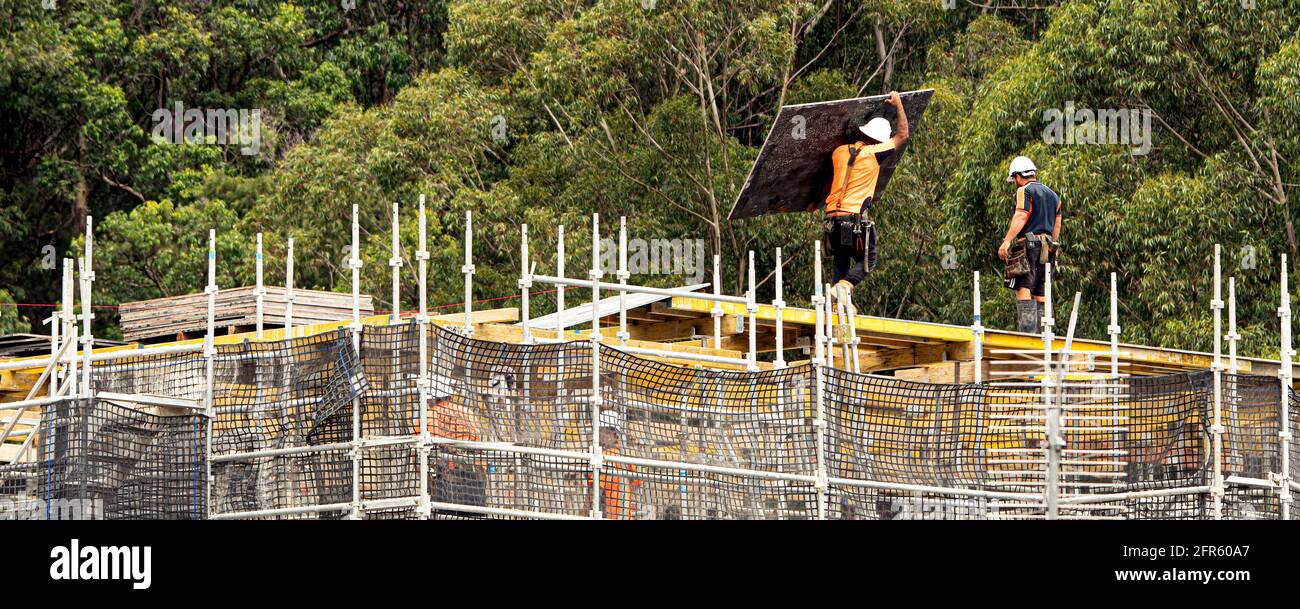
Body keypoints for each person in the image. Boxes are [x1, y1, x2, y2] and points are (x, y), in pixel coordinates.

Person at [811, 90, 910, 315]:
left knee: (841, 259)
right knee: (869, 259)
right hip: (852, 219)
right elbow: (903, 135)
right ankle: (844, 287)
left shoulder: (838, 152)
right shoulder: (874, 153)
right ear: (878, 140)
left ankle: (837, 304)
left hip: (832, 219)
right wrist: (899, 105)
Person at [997, 155, 1062, 333]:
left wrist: (1007, 241)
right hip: (1047, 248)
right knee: (1041, 291)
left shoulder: (1024, 191)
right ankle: (1044, 335)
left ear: (1018, 176)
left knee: (1022, 285)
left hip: (1028, 245)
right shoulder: (1053, 195)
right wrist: (1053, 245)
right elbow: (1057, 223)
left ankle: (1027, 335)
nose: (1015, 183)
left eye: (1014, 179)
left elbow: (1021, 215)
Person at [424, 378, 488, 510]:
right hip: (476, 476)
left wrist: (428, 482)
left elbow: (420, 453)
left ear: (430, 399)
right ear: (450, 395)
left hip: (448, 479)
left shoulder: (428, 416)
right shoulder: (467, 412)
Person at [589, 409, 642, 519]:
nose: (597, 435)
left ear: (610, 433)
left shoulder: (604, 457)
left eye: (600, 431)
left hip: (609, 516)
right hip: (624, 516)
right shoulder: (625, 456)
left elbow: (595, 491)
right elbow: (637, 482)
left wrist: (583, 513)